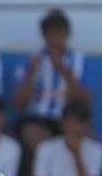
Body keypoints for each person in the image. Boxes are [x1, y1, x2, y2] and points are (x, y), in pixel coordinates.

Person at [10, 9, 90, 154]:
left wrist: (66, 74)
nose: (54, 39)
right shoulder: (30, 62)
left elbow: (85, 100)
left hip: (70, 119)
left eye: (58, 33)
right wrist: (31, 74)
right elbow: (18, 103)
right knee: (35, 137)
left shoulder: (79, 62)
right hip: (38, 119)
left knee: (89, 140)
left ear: (67, 35)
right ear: (44, 36)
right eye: (49, 34)